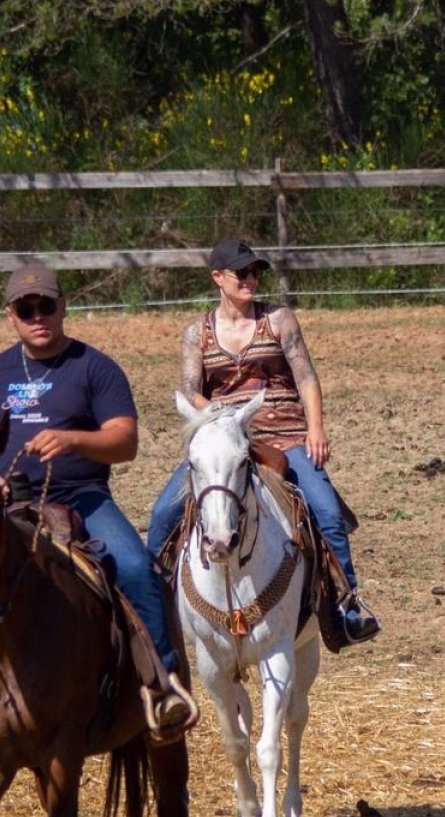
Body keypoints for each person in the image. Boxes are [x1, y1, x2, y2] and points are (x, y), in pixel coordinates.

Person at [0, 260, 197, 768]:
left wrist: (73, 439)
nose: (38, 316)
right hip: (8, 506)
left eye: (47, 306)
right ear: (10, 315)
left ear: (63, 308)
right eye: (26, 308)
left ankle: (160, 687)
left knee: (136, 569)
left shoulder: (93, 367)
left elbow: (125, 441)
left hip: (82, 498)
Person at [146, 238, 380, 645]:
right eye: (243, 273)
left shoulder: (279, 320)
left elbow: (305, 377)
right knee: (162, 514)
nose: (251, 280)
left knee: (325, 510)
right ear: (218, 278)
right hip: (225, 440)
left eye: (256, 272)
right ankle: (154, 610)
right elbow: (189, 391)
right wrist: (225, 419)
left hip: (286, 435)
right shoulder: (195, 334)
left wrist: (316, 428)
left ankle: (347, 605)